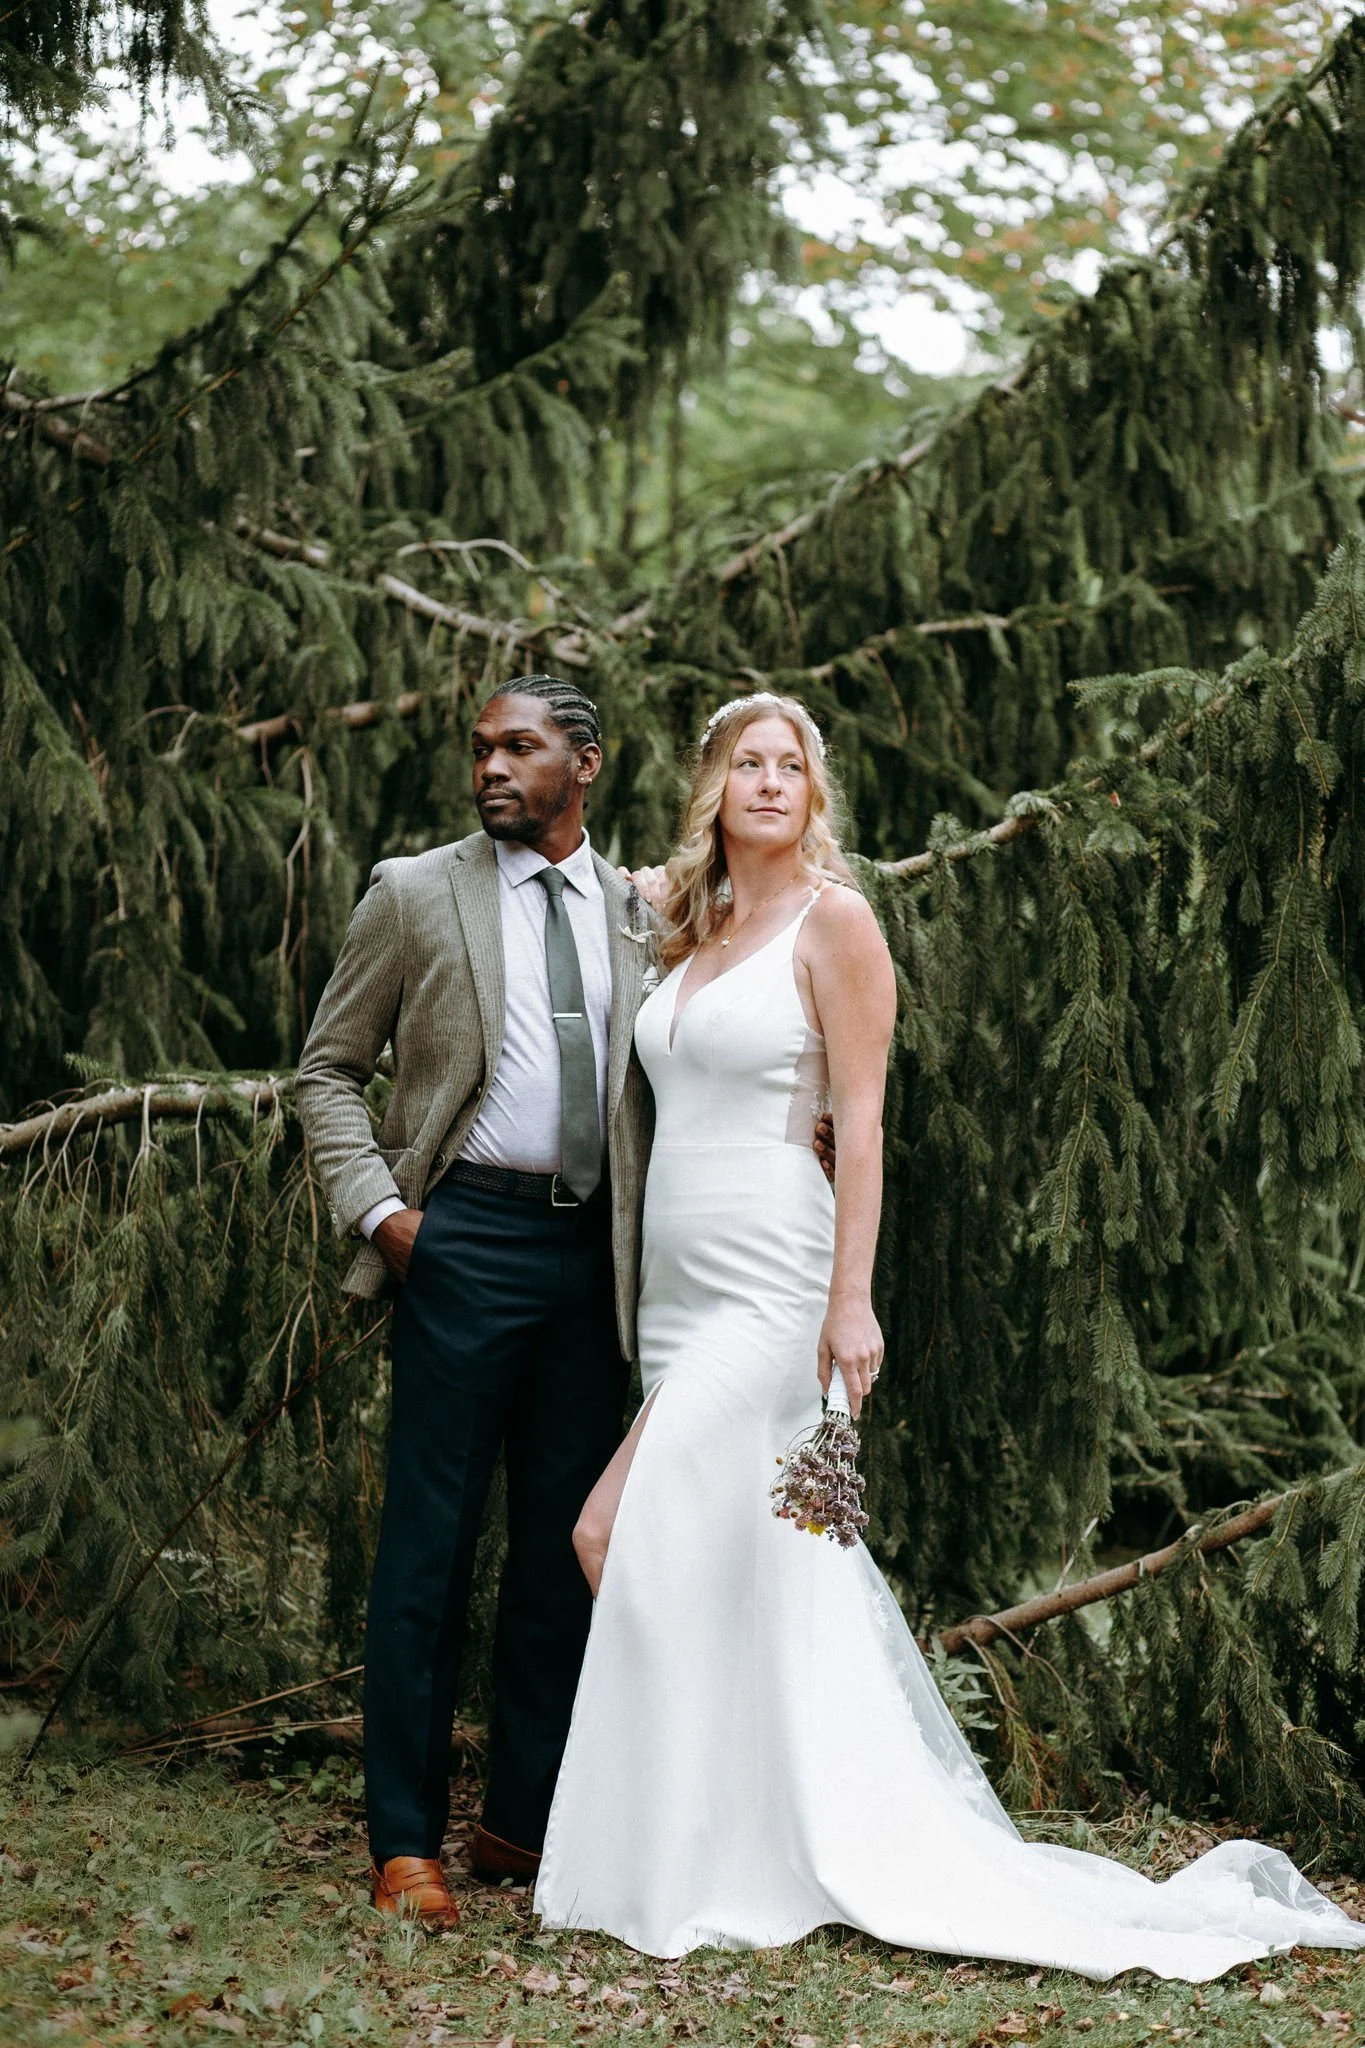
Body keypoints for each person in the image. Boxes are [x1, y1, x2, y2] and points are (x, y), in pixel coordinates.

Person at [533, 691, 1365, 1980]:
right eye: (745, 762)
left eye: (789, 764)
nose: (767, 781)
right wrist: (644, 874)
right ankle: (737, 1821)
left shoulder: (836, 922)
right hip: (679, 1296)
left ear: (814, 791)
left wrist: (849, 1298)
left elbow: (859, 1123)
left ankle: (727, 1835)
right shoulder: (693, 925)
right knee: (731, 1562)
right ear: (714, 786)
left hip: (776, 1280)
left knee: (607, 1530)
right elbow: (611, 893)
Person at [296, 672, 836, 1928]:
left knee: (562, 1547)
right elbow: (327, 1071)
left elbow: (732, 1033)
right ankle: (403, 1837)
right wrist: (387, 1215)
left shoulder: (650, 912)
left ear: (583, 765)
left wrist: (806, 1128)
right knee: (428, 1543)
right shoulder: (414, 893)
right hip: (462, 1235)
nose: (491, 767)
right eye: (481, 748)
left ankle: (521, 1821)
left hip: (604, 1259)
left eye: (520, 748)